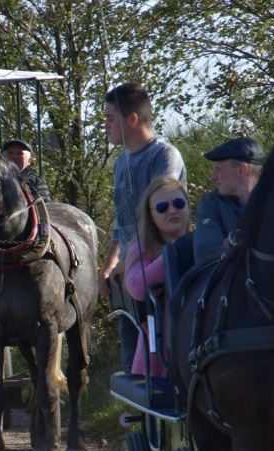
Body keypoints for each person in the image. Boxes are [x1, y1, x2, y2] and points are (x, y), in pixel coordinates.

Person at [100, 82, 186, 375]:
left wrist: (129, 263)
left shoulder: (163, 156)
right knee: (132, 367)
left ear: (132, 119)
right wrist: (110, 264)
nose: (106, 126)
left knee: (159, 365)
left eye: (110, 119)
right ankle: (136, 421)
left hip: (158, 274)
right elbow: (121, 216)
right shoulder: (121, 162)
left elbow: (158, 214)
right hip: (128, 275)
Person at [124, 177, 190, 377]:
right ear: (151, 216)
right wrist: (174, 252)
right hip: (159, 354)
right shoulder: (142, 249)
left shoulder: (202, 243)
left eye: (179, 203)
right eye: (162, 207)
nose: (172, 211)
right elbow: (136, 287)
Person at [193, 137, 265, 262]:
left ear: (242, 170)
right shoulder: (211, 203)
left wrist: (233, 242)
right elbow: (205, 252)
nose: (212, 177)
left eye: (218, 169)